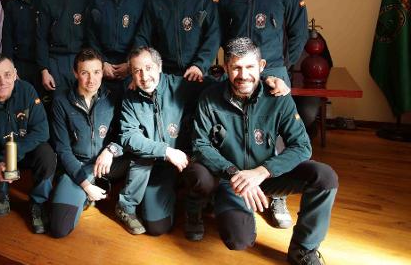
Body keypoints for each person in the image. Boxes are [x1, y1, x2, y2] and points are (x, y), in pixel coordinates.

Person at [189, 37, 337, 265]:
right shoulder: (209, 98)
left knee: (325, 177)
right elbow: (200, 145)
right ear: (226, 67)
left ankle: (303, 250)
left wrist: (263, 171)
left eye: (249, 67)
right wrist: (232, 172)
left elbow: (302, 146)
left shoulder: (278, 97)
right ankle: (217, 202)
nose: (243, 74)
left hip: (267, 174)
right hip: (231, 180)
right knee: (239, 240)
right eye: (236, 67)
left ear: (261, 66)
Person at [219, 0, 309, 228]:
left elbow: (299, 35)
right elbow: (220, 36)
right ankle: (237, 189)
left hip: (273, 74)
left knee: (278, 139)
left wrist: (282, 67)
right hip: (238, 75)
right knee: (239, 133)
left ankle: (277, 194)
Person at [114, 46, 205, 236]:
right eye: (137, 71)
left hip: (187, 160)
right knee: (157, 227)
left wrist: (268, 81)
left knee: (202, 177)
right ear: (131, 74)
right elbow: (129, 137)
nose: (144, 76)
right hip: (158, 164)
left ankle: (195, 206)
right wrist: (166, 151)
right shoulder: (130, 97)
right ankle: (164, 194)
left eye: (148, 68)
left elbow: (224, 85)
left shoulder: (181, 85)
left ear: (160, 67)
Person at [0, 54, 56, 234]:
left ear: (15, 74)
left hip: (24, 152)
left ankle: (38, 202)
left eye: (7, 75)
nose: (3, 81)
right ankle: (3, 192)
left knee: (47, 153)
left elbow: (42, 131)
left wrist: (13, 154)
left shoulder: (27, 91)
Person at [50, 48, 129, 238]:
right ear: (75, 73)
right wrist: (85, 185)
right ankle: (87, 191)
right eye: (84, 73)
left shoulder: (113, 96)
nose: (91, 79)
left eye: (96, 72)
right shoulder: (61, 101)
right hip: (78, 167)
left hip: (107, 162)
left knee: (139, 159)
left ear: (102, 72)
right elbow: (63, 150)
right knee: (59, 228)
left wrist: (111, 150)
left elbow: (126, 133)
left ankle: (115, 197)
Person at [86, 0, 153, 98]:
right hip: (102, 71)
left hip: (134, 72)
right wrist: (101, 63)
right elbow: (91, 34)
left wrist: (130, 64)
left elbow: (146, 34)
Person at [36, 0, 92, 93]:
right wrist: (44, 70)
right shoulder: (47, 1)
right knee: (60, 106)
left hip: (83, 60)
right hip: (56, 63)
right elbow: (41, 38)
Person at [2, 0, 48, 92]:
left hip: (44, 66)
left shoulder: (49, 0)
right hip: (20, 66)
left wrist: (47, 69)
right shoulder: (12, 5)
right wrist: (10, 69)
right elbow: (7, 38)